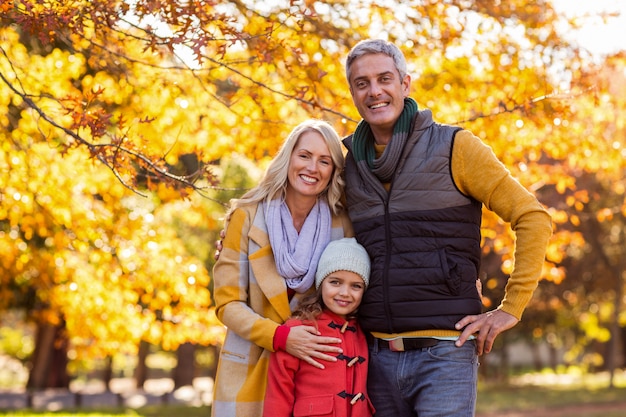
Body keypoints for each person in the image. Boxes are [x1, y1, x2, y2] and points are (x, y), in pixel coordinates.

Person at [341, 39, 552, 416]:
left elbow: (532, 216)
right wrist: (242, 231)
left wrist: (511, 308)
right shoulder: (348, 166)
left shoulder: (455, 146)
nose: (375, 91)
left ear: (405, 84)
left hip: (445, 353)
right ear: (353, 93)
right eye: (362, 83)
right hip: (372, 358)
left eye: (384, 78)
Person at [211, 119, 354, 417]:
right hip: (251, 366)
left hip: (312, 372)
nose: (312, 168)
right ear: (288, 157)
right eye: (304, 155)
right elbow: (228, 304)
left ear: (333, 171)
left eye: (324, 161)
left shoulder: (341, 226)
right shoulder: (247, 217)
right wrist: (280, 337)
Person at [263, 237, 375, 417]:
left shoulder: (364, 330)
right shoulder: (298, 330)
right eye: (335, 282)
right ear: (321, 282)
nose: (344, 293)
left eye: (356, 286)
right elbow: (278, 395)